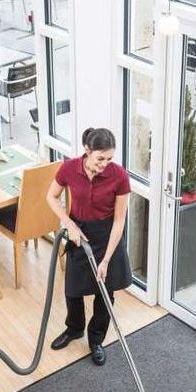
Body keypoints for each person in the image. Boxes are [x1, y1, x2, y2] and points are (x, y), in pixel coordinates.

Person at [46, 127, 131, 365]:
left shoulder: (119, 176)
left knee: (104, 292)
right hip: (79, 233)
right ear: (87, 150)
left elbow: (119, 220)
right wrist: (69, 224)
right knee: (72, 289)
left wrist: (106, 260)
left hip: (107, 236)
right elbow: (51, 197)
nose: (105, 164)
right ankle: (74, 329)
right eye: (100, 158)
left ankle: (96, 340)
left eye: (109, 159)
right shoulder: (69, 168)